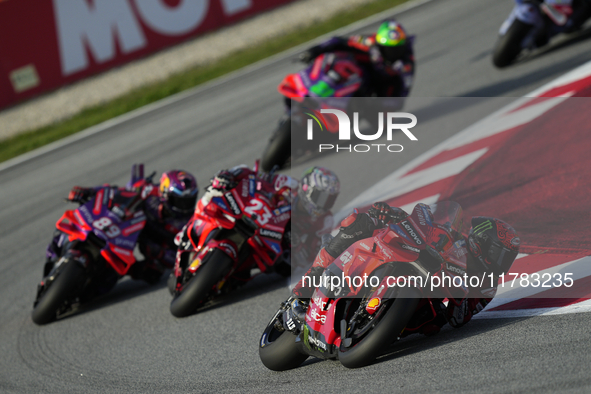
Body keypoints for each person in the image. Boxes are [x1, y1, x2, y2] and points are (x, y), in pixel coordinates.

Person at [289, 201, 520, 334]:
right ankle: (309, 284)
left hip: (423, 309)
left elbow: (460, 319)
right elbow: (421, 227)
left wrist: (457, 292)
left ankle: (373, 327)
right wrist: (393, 213)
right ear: (482, 242)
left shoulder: (488, 287)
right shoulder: (449, 235)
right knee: (363, 221)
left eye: (506, 258)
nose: (501, 263)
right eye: (499, 254)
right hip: (405, 261)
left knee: (431, 324)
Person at [44, 167, 198, 287]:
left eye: (189, 201)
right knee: (68, 225)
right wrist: (89, 191)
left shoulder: (186, 223)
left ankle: (95, 283)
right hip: (126, 227)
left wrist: (161, 254)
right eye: (179, 201)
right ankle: (55, 255)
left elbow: (182, 256)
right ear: (165, 194)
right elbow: (116, 191)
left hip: (151, 244)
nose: (184, 207)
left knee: (153, 273)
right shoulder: (149, 191)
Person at [299, 19, 415, 99]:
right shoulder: (369, 42)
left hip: (378, 88)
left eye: (397, 49)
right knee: (337, 59)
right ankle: (314, 87)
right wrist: (313, 51)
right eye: (389, 48)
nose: (393, 53)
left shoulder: (406, 62)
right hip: (358, 74)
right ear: (379, 43)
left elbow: (404, 90)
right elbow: (337, 41)